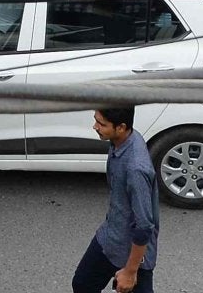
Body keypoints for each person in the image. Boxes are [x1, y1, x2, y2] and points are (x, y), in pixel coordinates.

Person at [77, 103, 158, 293]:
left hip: (134, 253)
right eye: (96, 120)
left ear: (121, 127)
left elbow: (144, 226)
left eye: (101, 123)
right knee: (82, 284)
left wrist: (130, 271)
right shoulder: (121, 140)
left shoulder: (136, 168)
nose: (95, 126)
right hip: (109, 237)